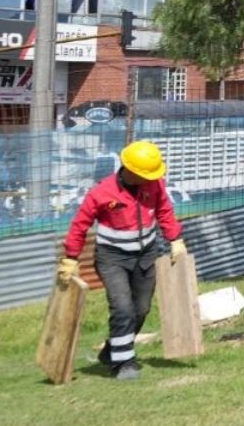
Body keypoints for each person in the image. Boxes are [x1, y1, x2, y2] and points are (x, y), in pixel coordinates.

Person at [57, 140, 187, 380]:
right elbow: (79, 226)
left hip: (145, 256)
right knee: (123, 308)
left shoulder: (154, 184)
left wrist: (175, 239)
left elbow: (164, 211)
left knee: (141, 309)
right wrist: (70, 258)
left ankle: (111, 351)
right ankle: (123, 363)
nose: (149, 178)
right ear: (131, 170)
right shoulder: (101, 193)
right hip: (112, 259)